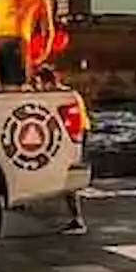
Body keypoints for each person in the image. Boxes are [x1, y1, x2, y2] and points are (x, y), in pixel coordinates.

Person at [33, 64, 88, 235]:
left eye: (39, 83)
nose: (38, 87)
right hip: (71, 135)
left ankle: (78, 220)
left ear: (46, 81)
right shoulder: (59, 95)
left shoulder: (62, 96)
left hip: (74, 136)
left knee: (68, 177)